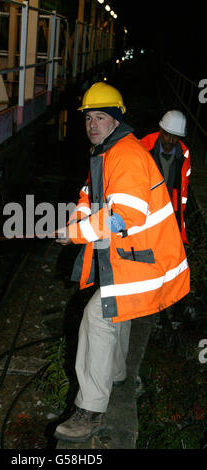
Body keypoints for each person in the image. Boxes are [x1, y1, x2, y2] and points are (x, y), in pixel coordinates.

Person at [54, 82, 190, 443]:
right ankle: (114, 374)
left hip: (149, 261)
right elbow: (89, 195)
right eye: (88, 118)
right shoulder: (105, 153)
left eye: (100, 118)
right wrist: (72, 224)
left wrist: (79, 233)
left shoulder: (125, 156)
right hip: (138, 256)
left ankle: (90, 410)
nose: (92, 124)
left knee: (97, 317)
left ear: (116, 120)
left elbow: (123, 217)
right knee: (115, 310)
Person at [140, 110, 191, 244]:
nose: (170, 140)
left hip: (167, 216)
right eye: (167, 135)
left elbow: (181, 193)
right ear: (160, 130)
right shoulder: (143, 150)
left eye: (175, 137)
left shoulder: (183, 156)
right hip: (144, 214)